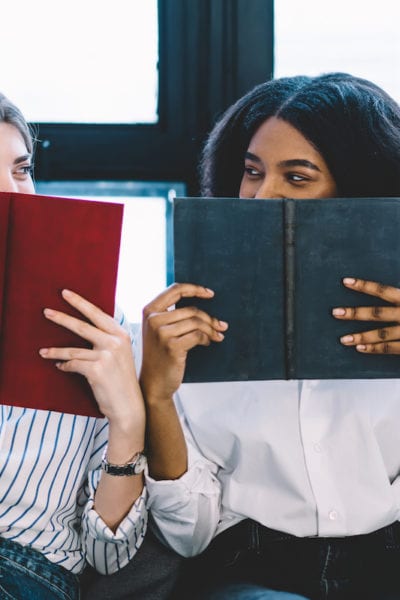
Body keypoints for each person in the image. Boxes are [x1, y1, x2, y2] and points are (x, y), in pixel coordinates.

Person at [139, 73, 400, 600]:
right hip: (251, 569)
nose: (261, 197)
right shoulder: (185, 325)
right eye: (252, 172)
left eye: (298, 177)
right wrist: (156, 396)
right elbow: (189, 535)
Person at [0, 92, 148, 599]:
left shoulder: (103, 327)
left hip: (27, 569)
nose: (11, 190)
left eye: (21, 169)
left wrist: (128, 420)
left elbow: (108, 555)